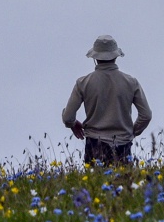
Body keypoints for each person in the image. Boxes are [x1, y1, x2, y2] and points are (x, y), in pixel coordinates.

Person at [62, 35, 152, 166]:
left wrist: (73, 123)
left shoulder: (83, 83)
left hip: (94, 144)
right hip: (123, 145)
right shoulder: (131, 82)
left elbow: (67, 117)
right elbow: (146, 115)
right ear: (116, 56)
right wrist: (132, 131)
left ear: (95, 58)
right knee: (123, 184)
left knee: (96, 185)